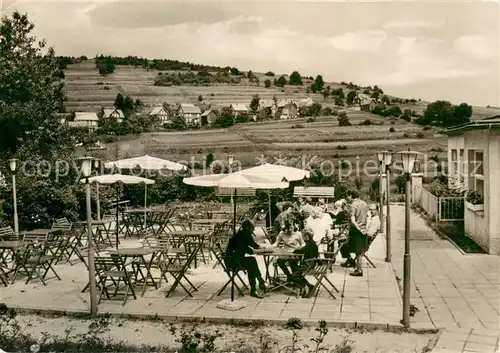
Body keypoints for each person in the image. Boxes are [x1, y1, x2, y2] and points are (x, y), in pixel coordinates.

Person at [225, 220, 267, 298]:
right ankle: (257, 285)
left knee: (251, 262)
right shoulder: (244, 235)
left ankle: (258, 283)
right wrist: (263, 250)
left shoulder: (242, 234)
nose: (253, 230)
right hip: (233, 262)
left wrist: (261, 249)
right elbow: (250, 249)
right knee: (251, 262)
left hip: (234, 259)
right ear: (248, 228)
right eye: (252, 228)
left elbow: (252, 246)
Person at [339, 190, 369, 276]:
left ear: (351, 195)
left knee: (358, 252)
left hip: (356, 231)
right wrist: (365, 228)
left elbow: (353, 220)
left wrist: (359, 229)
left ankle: (359, 270)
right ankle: (356, 267)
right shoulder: (365, 203)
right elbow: (369, 216)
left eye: (347, 196)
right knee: (359, 251)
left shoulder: (353, 205)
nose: (347, 198)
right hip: (364, 230)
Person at [292, 228, 319, 297]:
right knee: (295, 271)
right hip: (311, 263)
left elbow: (300, 250)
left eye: (303, 236)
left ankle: (307, 286)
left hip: (308, 264)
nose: (303, 238)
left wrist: (294, 250)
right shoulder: (312, 243)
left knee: (294, 276)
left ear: (307, 237)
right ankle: (309, 286)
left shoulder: (309, 245)